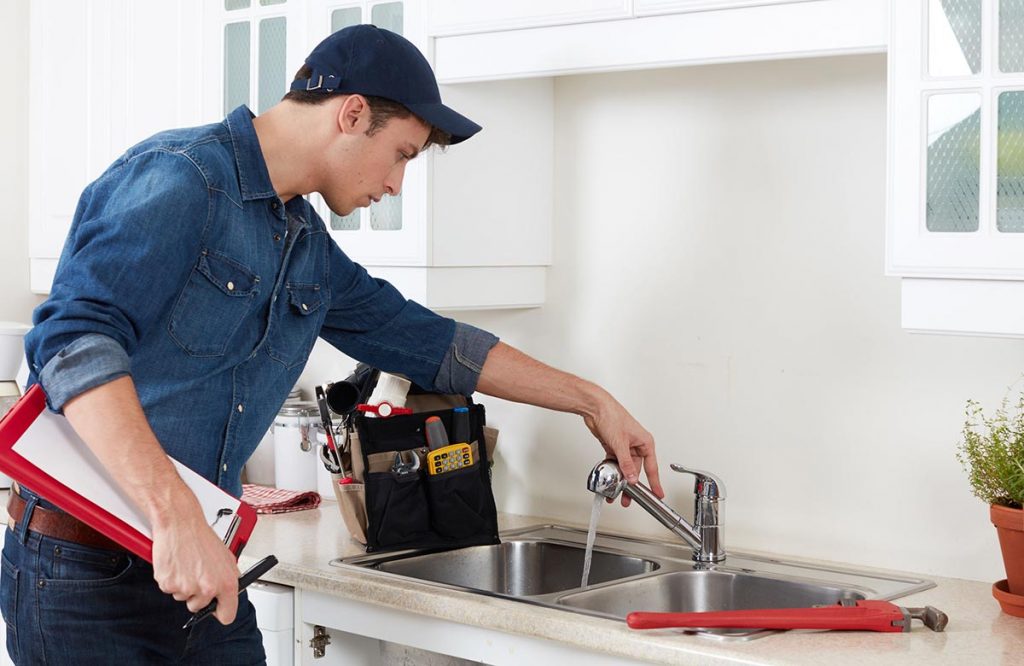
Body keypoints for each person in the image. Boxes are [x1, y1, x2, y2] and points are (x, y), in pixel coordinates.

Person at [3, 25, 662, 664]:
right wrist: (174, 516)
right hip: (83, 576)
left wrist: (593, 402)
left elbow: (433, 343)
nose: (397, 184)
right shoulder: (183, 182)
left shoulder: (305, 246)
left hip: (203, 567)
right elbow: (71, 340)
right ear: (351, 114)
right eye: (403, 153)